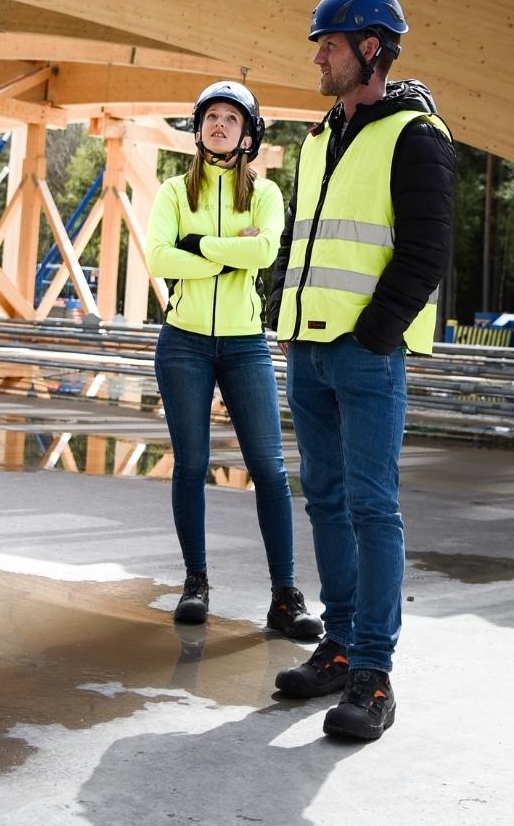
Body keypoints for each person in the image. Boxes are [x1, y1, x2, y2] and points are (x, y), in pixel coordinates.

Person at [265, 0, 455, 740]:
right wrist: (287, 313)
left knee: (373, 508)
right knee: (327, 501)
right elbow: (301, 238)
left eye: (330, 45)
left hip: (366, 357)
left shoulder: (417, 136)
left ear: (370, 49)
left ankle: (374, 675)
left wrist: (373, 334)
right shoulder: (318, 140)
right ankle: (339, 647)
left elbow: (426, 252)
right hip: (308, 349)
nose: (318, 55)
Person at [144, 81, 324, 641]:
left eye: (231, 119)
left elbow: (266, 250)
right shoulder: (174, 190)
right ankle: (195, 583)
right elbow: (156, 255)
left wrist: (197, 247)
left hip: (246, 343)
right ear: (198, 129)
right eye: (211, 118)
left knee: (269, 469)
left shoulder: (265, 194)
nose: (219, 125)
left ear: (248, 134)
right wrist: (227, 254)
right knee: (191, 465)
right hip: (184, 342)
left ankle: (284, 595)